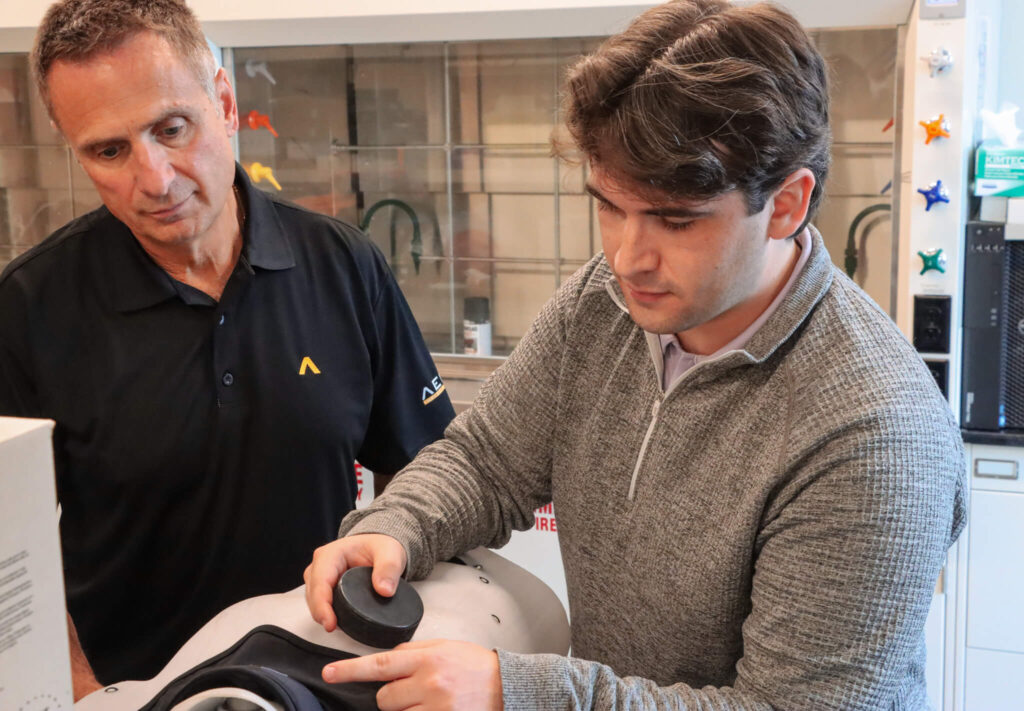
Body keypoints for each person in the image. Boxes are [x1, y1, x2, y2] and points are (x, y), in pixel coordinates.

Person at [303, 1, 967, 709]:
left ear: (786, 203)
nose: (627, 256)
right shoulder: (603, 302)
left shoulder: (874, 436)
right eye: (610, 206)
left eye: (675, 219)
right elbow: (487, 460)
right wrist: (397, 526)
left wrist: (517, 691)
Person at [0, 0, 454, 696]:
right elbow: (10, 540)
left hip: (326, 681)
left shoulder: (341, 265)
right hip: (140, 692)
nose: (153, 180)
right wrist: (82, 690)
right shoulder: (28, 308)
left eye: (171, 128)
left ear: (224, 102)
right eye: (109, 151)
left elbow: (425, 472)